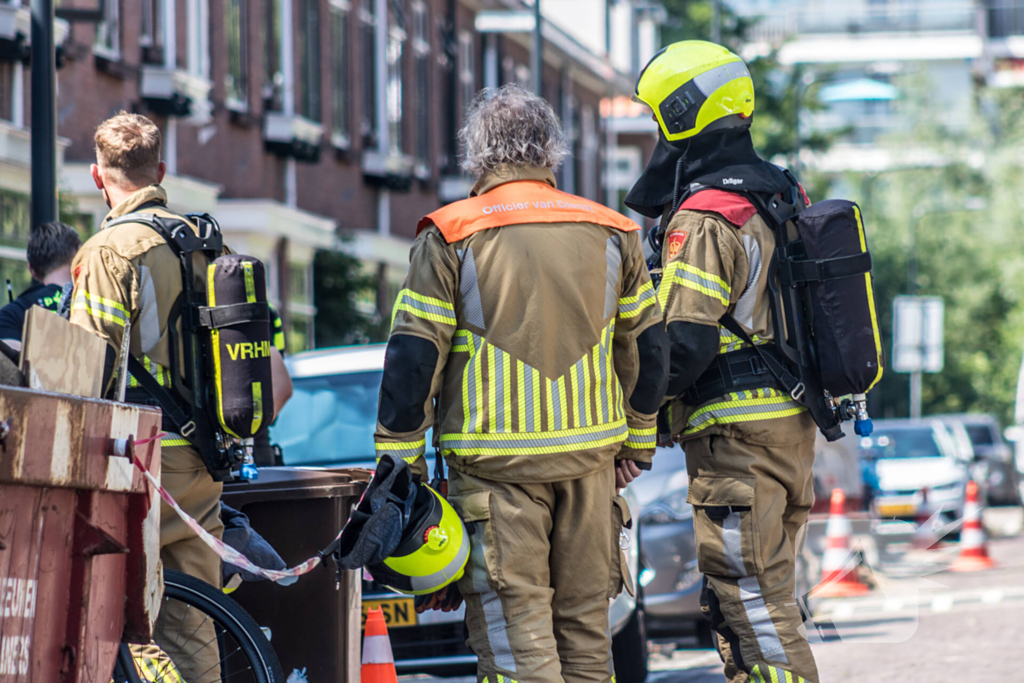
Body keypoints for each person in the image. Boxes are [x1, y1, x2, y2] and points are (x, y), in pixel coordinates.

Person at [374, 84, 669, 683]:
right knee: (588, 640)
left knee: (517, 645)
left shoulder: (452, 233)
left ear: (477, 156)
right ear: (550, 153)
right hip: (591, 471)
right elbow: (649, 347)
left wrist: (399, 463)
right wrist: (637, 440)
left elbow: (412, 356)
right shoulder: (613, 231)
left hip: (495, 476)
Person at [69, 111, 289, 682]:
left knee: (95, 612)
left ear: (98, 177)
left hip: (136, 462)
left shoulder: (108, 253)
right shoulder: (202, 243)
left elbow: (85, 370)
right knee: (190, 626)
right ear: (160, 170)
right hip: (201, 459)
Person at [626, 41, 819, 683]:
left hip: (737, 443)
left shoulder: (706, 217)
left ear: (681, 114)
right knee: (757, 603)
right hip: (788, 429)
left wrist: (637, 423)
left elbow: (686, 343)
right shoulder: (778, 193)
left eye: (659, 120)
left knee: (754, 609)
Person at [0, 221, 81, 351]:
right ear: (78, 258)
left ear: (32, 270)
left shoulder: (11, 315)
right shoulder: (96, 305)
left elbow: (11, 364)